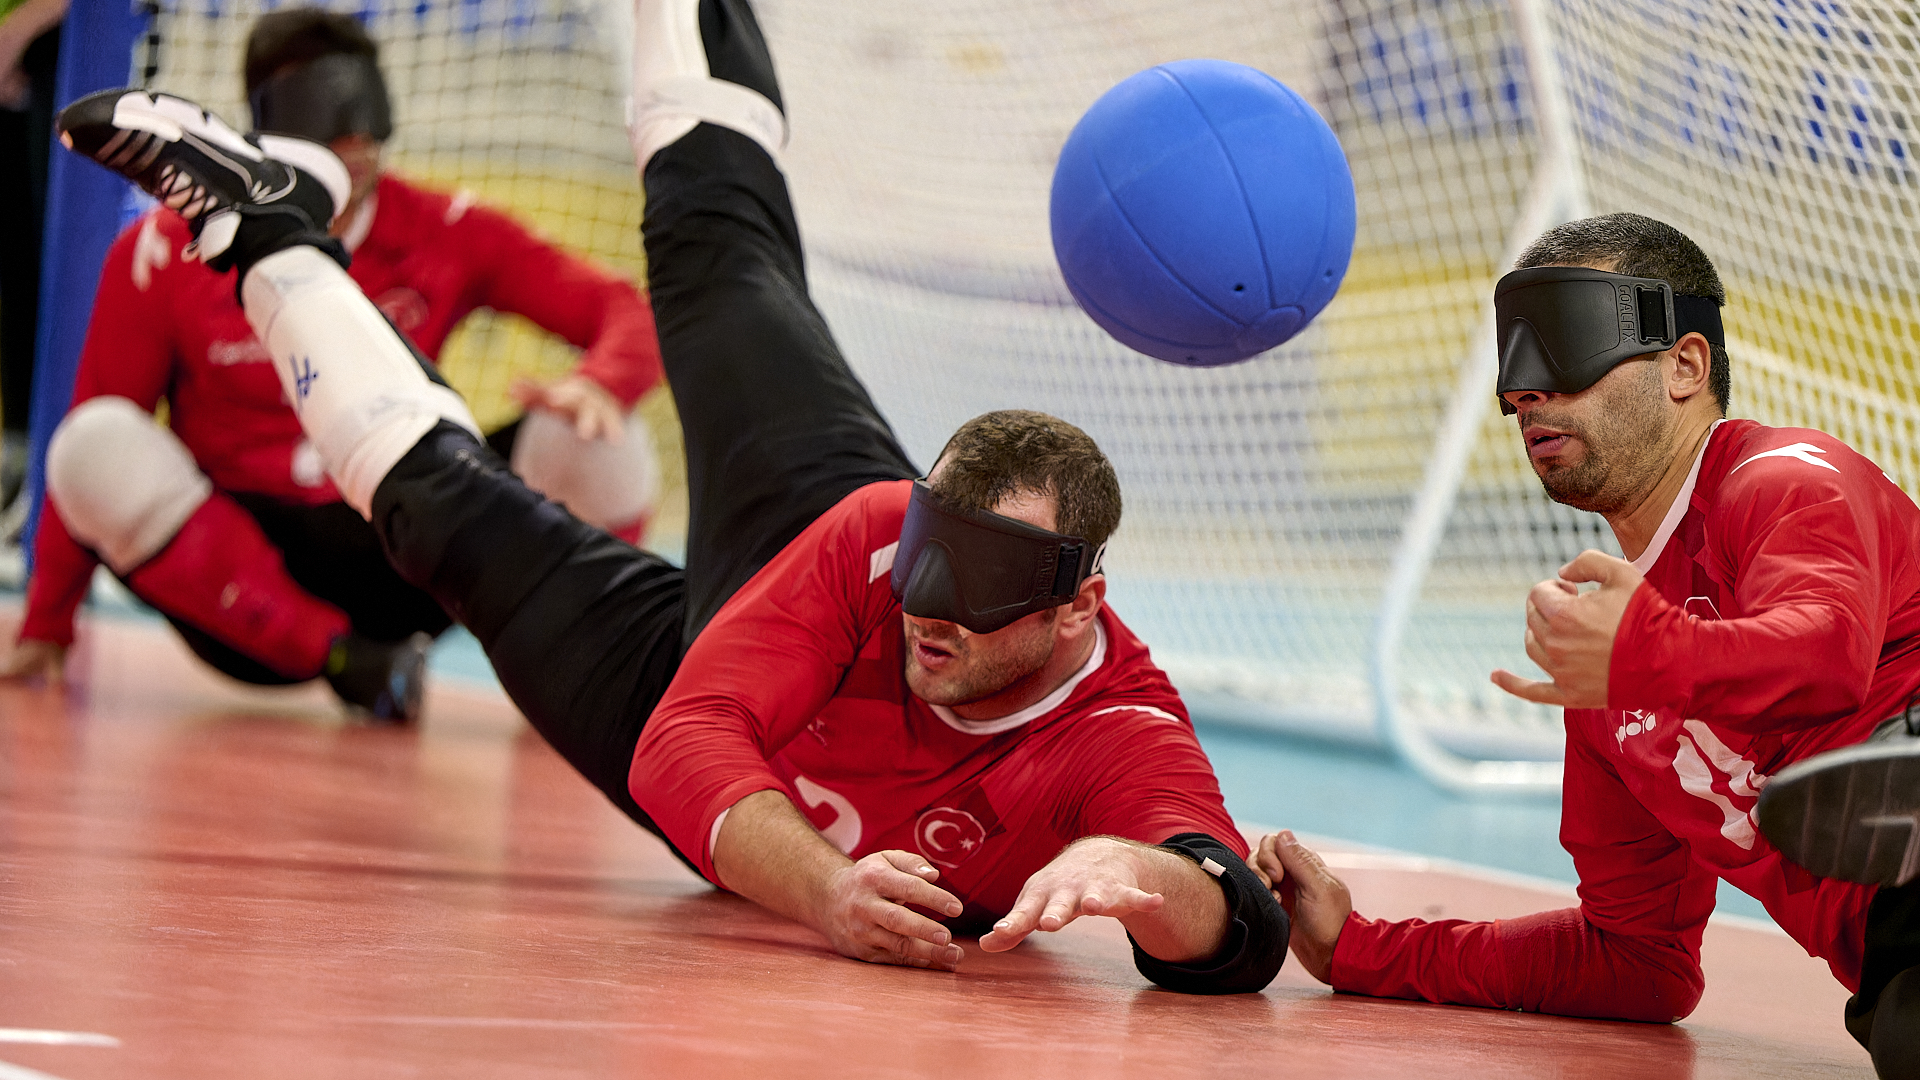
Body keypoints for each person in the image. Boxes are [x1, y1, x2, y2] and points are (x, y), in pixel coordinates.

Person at [51, 0, 1290, 990]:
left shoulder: (1118, 735)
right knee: (721, 265)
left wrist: (1146, 880)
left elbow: (1228, 924)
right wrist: (827, 894)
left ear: (1082, 610)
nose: (937, 608)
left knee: (442, 522)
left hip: (713, 728)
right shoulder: (871, 545)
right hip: (778, 581)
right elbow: (687, 743)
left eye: (992, 583)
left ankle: (267, 239)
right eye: (932, 557)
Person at [1252, 214, 1920, 1077]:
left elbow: (1824, 657)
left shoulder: (1785, 480)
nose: (1526, 391)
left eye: (1565, 340)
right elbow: (1639, 965)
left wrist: (1644, 652)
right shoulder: (1608, 675)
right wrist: (1357, 946)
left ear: (1686, 365)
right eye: (1515, 360)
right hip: (1896, 951)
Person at [2, 8, 665, 720]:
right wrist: (48, 622)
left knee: (605, 441)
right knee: (90, 444)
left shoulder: (445, 230)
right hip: (241, 572)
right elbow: (101, 422)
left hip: (405, 540)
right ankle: (349, 661)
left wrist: (601, 383)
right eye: (321, 107)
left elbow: (622, 311)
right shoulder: (164, 252)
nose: (351, 137)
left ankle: (579, 671)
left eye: (362, 108)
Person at [0, 0, 65, 515]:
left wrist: (20, 28)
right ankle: (20, 446)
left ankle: (44, 456)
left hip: (62, 57)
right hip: (21, 63)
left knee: (49, 266)